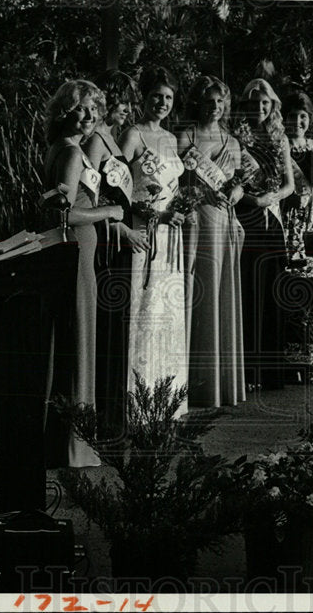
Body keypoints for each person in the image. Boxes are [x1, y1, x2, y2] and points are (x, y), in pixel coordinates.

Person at [41, 79, 124, 463]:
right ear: (64, 112)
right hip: (75, 248)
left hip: (78, 250)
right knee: (79, 340)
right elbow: (64, 213)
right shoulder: (72, 153)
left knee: (77, 338)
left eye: (94, 110)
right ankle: (76, 446)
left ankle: (70, 440)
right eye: (81, 109)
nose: (89, 116)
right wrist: (108, 212)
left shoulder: (62, 147)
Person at [82, 75, 150, 437]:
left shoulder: (113, 139)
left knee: (119, 327)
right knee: (107, 329)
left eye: (129, 101)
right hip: (108, 243)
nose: (126, 108)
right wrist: (121, 229)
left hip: (123, 245)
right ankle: (103, 422)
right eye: (120, 101)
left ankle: (114, 418)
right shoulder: (95, 141)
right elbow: (88, 201)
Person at [119, 66, 189, 409]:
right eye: (156, 96)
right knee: (145, 308)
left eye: (168, 97)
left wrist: (180, 207)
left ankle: (165, 395)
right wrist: (155, 214)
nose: (162, 103)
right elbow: (117, 194)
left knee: (167, 309)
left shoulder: (172, 139)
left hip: (170, 235)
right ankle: (136, 397)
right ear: (143, 98)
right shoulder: (132, 135)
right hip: (145, 232)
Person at [176, 75, 247, 406]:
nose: (215, 108)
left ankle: (220, 382)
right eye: (209, 101)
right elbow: (171, 180)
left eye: (220, 102)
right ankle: (192, 382)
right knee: (198, 293)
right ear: (197, 103)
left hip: (224, 221)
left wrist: (237, 189)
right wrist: (197, 190)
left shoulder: (232, 141)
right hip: (197, 223)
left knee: (221, 294)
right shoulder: (184, 137)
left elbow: (244, 181)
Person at [233, 78, 296, 390]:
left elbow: (290, 185)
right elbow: (228, 181)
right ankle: (245, 372)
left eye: (265, 103)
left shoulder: (280, 139)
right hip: (245, 218)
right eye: (254, 103)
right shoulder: (235, 138)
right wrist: (251, 200)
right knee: (247, 290)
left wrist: (270, 199)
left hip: (270, 222)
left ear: (273, 107)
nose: (259, 108)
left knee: (270, 292)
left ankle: (268, 372)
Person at [279, 90, 313, 383]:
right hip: (285, 228)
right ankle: (286, 362)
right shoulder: (276, 146)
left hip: (311, 229)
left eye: (303, 116)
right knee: (288, 294)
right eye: (292, 116)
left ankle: (309, 363)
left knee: (312, 298)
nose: (297, 121)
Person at [95, 69, 138, 142]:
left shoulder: (108, 136)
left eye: (131, 103)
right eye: (124, 102)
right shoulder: (96, 140)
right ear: (106, 98)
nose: (129, 110)